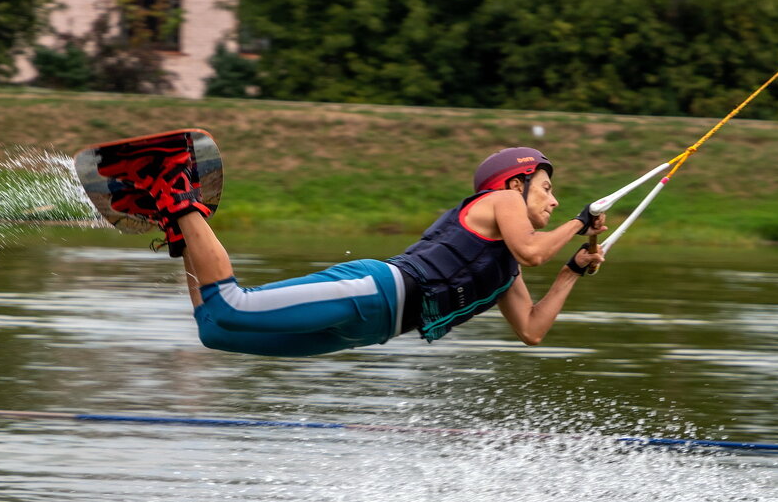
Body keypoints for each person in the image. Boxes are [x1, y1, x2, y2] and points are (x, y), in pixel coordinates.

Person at [99, 140, 606, 357]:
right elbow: (532, 251)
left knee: (215, 332)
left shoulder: (501, 269)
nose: (554, 200)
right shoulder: (500, 201)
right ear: (516, 183)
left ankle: (177, 222)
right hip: (374, 291)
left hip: (372, 330)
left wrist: (574, 269)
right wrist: (580, 222)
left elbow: (533, 330)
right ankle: (175, 186)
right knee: (232, 305)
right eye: (545, 189)